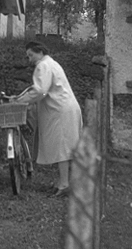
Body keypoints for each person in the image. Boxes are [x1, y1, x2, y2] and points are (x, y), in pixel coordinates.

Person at [15, 41, 82, 197]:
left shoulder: (43, 65)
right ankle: (63, 183)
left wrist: (20, 101)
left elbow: (40, 91)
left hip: (60, 110)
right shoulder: (52, 63)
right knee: (63, 147)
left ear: (40, 52)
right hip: (64, 108)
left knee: (62, 148)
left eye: (31, 55)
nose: (29, 59)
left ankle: (64, 185)